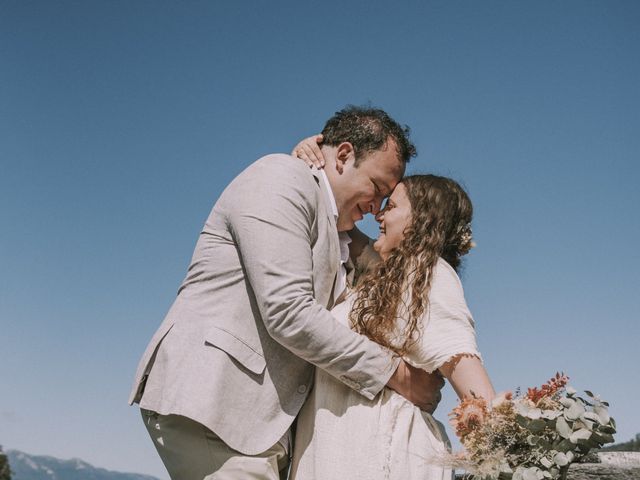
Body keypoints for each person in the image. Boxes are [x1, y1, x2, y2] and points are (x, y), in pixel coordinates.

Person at [128, 106, 445, 480]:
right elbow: (288, 311)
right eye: (376, 188)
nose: (376, 208)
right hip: (216, 401)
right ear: (343, 155)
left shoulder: (340, 229)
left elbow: (397, 276)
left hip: (262, 424)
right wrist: (398, 376)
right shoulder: (281, 179)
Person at [290, 136, 495, 480]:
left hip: (384, 458)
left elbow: (474, 388)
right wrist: (309, 164)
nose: (379, 213)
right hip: (336, 456)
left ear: (421, 222)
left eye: (393, 206)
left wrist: (508, 453)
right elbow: (334, 213)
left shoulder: (426, 274)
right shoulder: (383, 278)